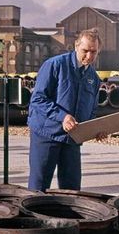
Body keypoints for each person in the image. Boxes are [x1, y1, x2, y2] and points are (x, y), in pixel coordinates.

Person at [27, 28, 102, 191]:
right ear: (76, 46)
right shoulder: (55, 65)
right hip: (47, 133)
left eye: (94, 52)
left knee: (72, 190)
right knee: (39, 187)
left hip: (72, 138)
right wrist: (63, 117)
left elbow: (92, 110)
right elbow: (38, 99)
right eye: (85, 51)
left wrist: (95, 130)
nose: (89, 56)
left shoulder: (94, 78)